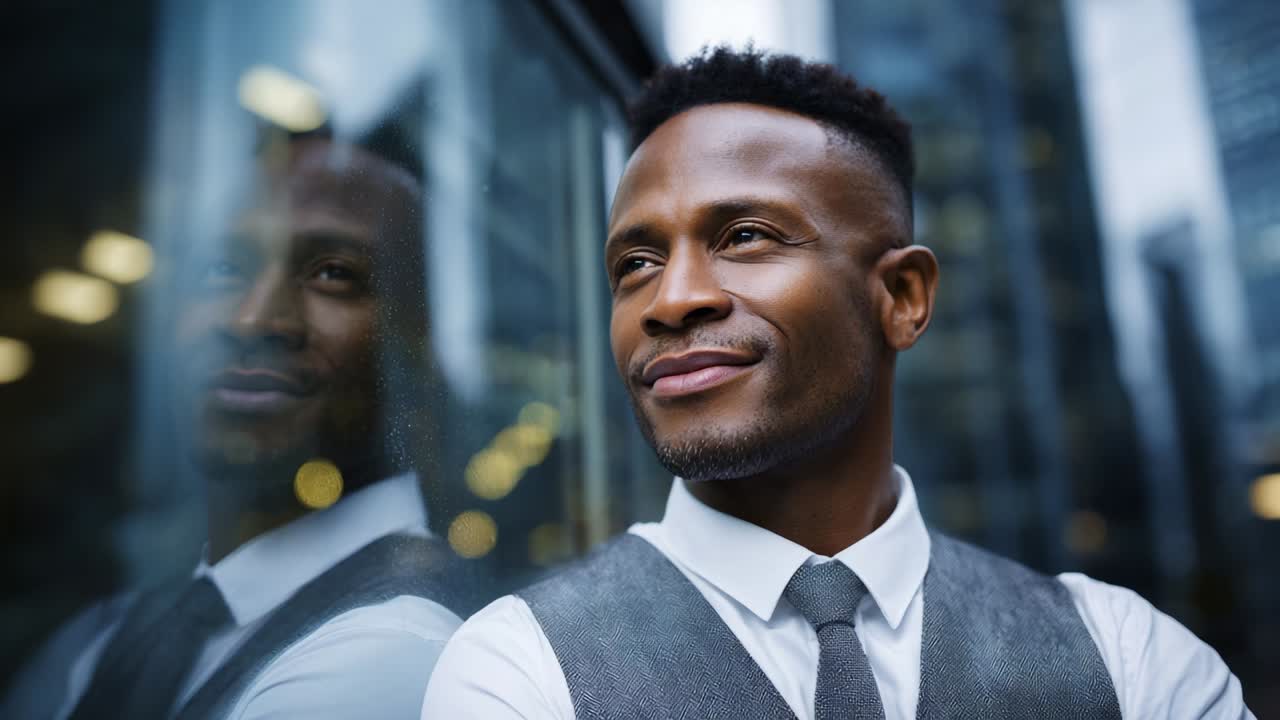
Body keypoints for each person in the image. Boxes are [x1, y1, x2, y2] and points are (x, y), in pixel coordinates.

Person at [421, 47, 1254, 719]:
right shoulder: (518, 673)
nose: (669, 301)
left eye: (745, 236)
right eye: (635, 263)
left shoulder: (1130, 659)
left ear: (902, 298)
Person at [3, 130, 470, 719]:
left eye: (334, 273)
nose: (252, 318)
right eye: (224, 268)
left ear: (423, 337)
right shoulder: (101, 641)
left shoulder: (394, 653)